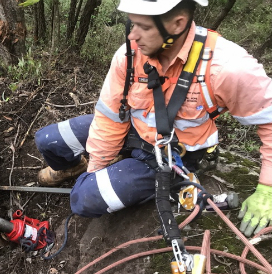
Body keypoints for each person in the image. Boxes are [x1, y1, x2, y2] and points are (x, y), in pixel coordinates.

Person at [35, 0, 272, 237]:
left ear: (178, 23)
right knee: (48, 140)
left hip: (174, 155)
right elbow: (110, 117)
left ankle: (169, 184)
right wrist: (97, 166)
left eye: (143, 27)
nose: (132, 35)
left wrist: (267, 190)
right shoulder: (130, 55)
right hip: (134, 131)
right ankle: (76, 168)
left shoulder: (228, 68)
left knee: (82, 199)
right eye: (132, 23)